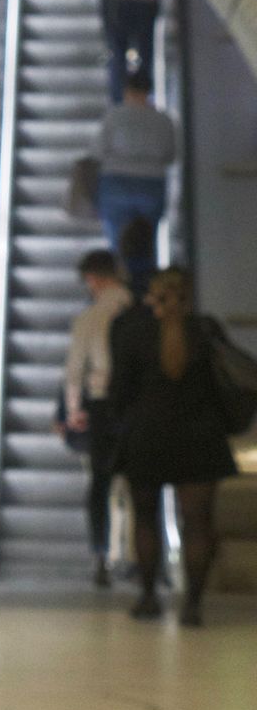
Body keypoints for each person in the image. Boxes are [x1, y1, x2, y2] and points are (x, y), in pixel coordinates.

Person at [106, 267, 238, 627]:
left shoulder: (133, 333)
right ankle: (193, 604)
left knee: (145, 519)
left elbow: (119, 392)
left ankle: (148, 597)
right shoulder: (206, 332)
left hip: (148, 437)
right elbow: (226, 380)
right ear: (189, 296)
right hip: (200, 436)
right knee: (198, 523)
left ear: (152, 296)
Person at [59, 250, 132, 588]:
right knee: (137, 482)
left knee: (100, 483)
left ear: (93, 278)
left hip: (102, 407)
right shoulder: (140, 310)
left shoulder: (88, 318)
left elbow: (75, 371)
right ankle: (131, 553)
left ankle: (101, 554)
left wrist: (73, 410)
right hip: (136, 405)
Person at [93, 72, 177, 290]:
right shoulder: (163, 119)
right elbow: (171, 155)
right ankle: (146, 290)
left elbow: (98, 151)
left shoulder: (114, 116)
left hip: (116, 183)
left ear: (127, 90)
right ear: (149, 91)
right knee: (145, 243)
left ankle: (119, 290)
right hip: (151, 184)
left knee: (118, 243)